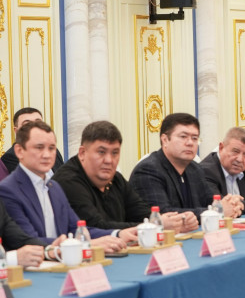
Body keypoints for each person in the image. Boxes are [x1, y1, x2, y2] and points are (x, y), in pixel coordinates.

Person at [0, 120, 130, 253]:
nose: (47, 155)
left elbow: (77, 229)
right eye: (39, 148)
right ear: (19, 151)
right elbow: (27, 240)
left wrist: (118, 234)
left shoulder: (54, 187)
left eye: (51, 148)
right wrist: (84, 244)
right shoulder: (8, 190)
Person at [53, 121, 198, 233]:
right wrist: (155, 225)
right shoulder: (68, 181)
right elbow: (96, 227)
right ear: (82, 153)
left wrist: (178, 220)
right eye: (101, 152)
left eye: (115, 153)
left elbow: (142, 213)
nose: (109, 160)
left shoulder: (115, 178)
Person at [130, 113, 243, 218]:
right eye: (183, 137)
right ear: (165, 140)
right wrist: (217, 212)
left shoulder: (195, 169)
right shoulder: (148, 170)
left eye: (194, 138)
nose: (190, 143)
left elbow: (211, 201)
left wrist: (231, 204)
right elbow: (163, 214)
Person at [200, 127, 245, 214]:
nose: (240, 159)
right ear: (221, 148)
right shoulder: (206, 171)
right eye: (235, 151)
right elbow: (220, 205)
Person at [1, 108, 64, 174]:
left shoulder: (52, 150)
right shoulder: (10, 157)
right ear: (16, 131)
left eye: (38, 123)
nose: (34, 128)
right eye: (27, 124)